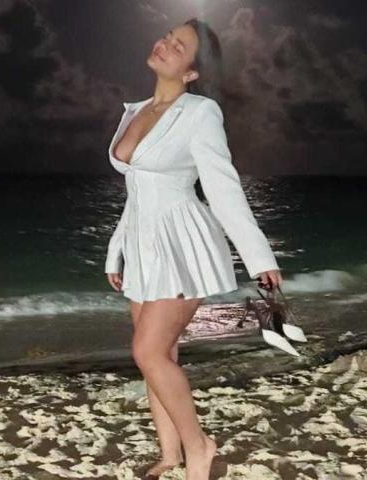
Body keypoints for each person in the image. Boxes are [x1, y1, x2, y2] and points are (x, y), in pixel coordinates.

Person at [104, 18, 283, 480]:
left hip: (183, 244)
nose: (165, 44)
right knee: (160, 356)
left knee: (148, 352)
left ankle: (199, 446)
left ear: (191, 72)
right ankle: (169, 454)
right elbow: (136, 193)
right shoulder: (135, 110)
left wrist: (259, 257)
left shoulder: (201, 113)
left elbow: (223, 188)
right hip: (143, 246)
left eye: (178, 46)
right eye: (168, 36)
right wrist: (115, 250)